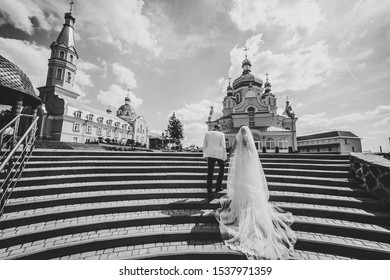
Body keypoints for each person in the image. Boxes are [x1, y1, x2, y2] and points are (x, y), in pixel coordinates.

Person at [216, 125, 296, 259]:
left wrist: (228, 158)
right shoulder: (248, 142)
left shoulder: (236, 139)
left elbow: (232, 153)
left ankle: (241, 205)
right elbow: (253, 155)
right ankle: (248, 204)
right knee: (248, 186)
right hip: (247, 166)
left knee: (240, 186)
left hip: (240, 165)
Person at [202, 124, 227, 201]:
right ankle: (218, 187)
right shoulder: (221, 134)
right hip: (219, 154)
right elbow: (223, 146)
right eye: (221, 128)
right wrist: (224, 157)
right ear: (218, 128)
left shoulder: (207, 133)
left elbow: (204, 145)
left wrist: (205, 155)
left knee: (210, 172)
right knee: (222, 170)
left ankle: (209, 192)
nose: (221, 129)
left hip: (210, 153)